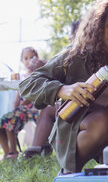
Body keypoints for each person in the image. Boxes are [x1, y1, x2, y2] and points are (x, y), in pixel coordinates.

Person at [19, 0, 108, 174]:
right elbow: (28, 84)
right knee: (103, 121)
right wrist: (62, 89)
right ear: (100, 27)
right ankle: (69, 173)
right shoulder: (75, 56)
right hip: (75, 129)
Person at [23, 19, 81, 159]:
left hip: (83, 103)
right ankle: (41, 147)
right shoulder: (76, 51)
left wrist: (44, 65)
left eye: (72, 34)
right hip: (81, 100)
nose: (69, 38)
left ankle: (36, 150)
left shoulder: (77, 51)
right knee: (48, 107)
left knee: (48, 110)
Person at [0, 47, 46, 160]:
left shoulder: (39, 72)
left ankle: (41, 146)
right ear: (22, 61)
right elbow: (17, 95)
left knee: (10, 120)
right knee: (5, 121)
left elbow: (34, 95)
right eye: (25, 58)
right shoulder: (21, 76)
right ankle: (10, 152)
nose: (28, 60)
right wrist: (15, 107)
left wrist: (21, 105)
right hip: (24, 109)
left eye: (31, 57)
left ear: (37, 59)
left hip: (37, 106)